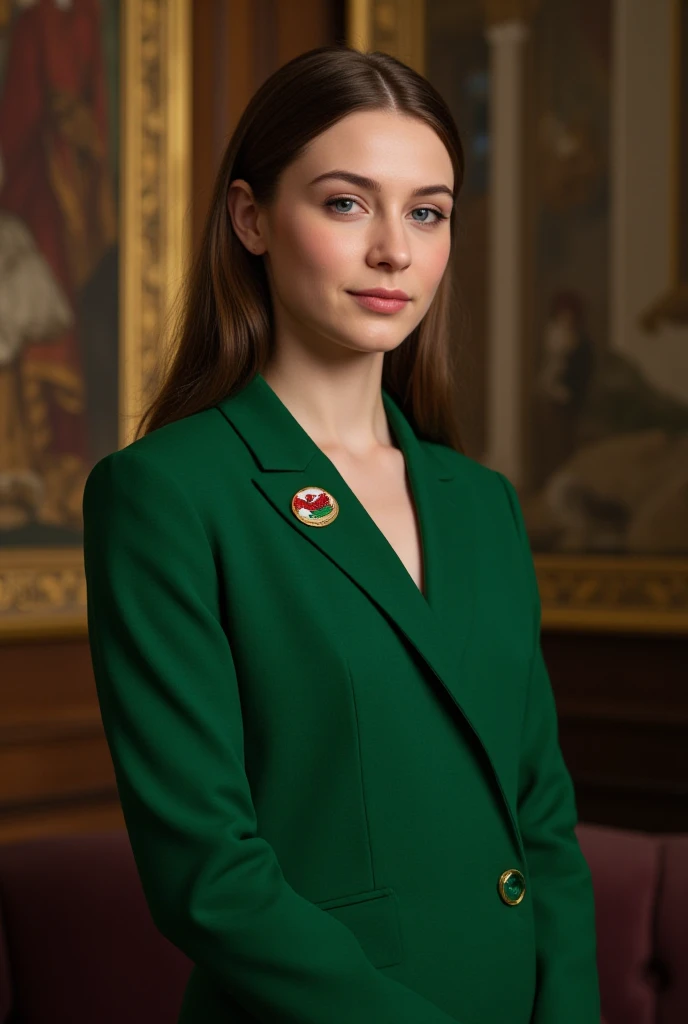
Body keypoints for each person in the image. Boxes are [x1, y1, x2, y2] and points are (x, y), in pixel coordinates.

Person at [82, 44, 601, 1024]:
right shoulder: (166, 495)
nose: (395, 252)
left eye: (427, 211)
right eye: (345, 202)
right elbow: (209, 873)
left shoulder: (479, 502)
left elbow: (541, 819)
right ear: (250, 219)